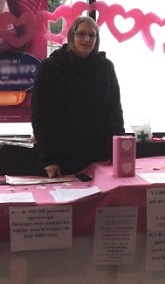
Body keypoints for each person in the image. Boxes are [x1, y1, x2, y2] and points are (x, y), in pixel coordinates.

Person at [31, 16, 125, 177]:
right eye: (81, 34)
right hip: (61, 157)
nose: (86, 39)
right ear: (71, 36)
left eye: (92, 35)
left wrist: (118, 153)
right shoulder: (51, 67)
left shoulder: (106, 67)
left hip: (99, 156)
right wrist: (49, 159)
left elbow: (114, 113)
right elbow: (40, 116)